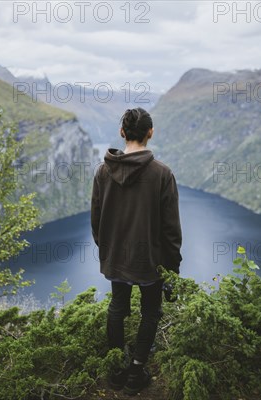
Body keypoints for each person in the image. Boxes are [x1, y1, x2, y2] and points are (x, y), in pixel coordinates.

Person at [90, 107, 182, 395]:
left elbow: (96, 219)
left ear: (122, 132)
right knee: (150, 312)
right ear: (150, 133)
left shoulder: (103, 171)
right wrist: (172, 268)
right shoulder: (162, 174)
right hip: (150, 260)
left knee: (117, 307)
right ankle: (136, 370)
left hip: (116, 256)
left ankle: (116, 370)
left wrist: (107, 248)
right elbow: (170, 230)